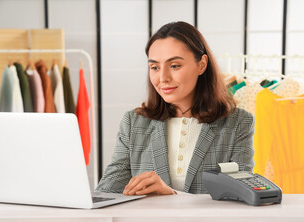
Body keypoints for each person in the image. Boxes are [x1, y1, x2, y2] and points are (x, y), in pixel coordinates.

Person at [95, 21, 254, 195]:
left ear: (202, 64)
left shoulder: (238, 123)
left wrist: (173, 196)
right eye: (154, 67)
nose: (163, 77)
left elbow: (239, 195)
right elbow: (107, 190)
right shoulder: (134, 123)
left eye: (174, 66)